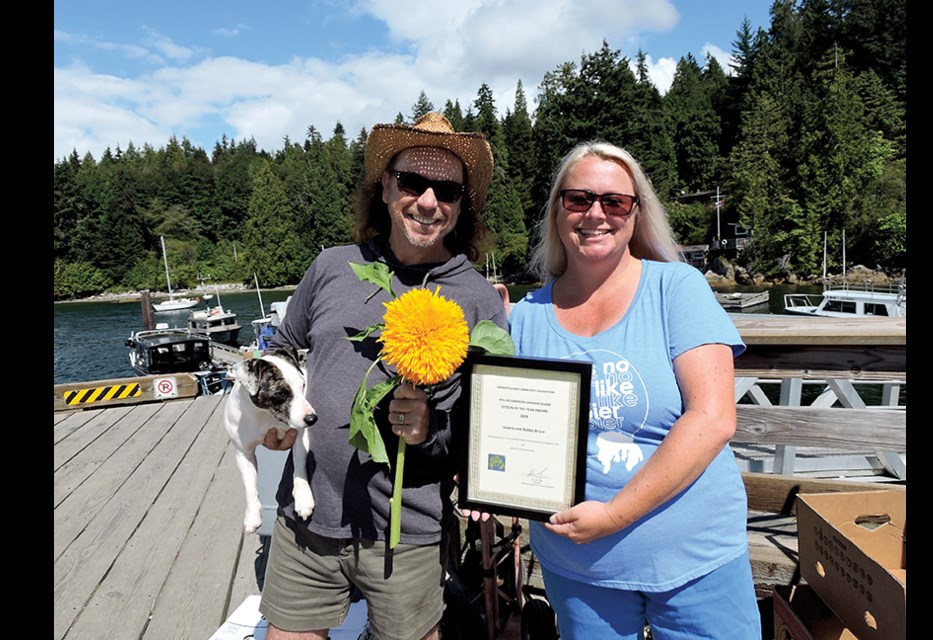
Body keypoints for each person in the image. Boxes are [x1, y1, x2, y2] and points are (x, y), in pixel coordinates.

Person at [257, 112, 508, 640]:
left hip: (408, 531)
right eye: (412, 182)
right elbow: (279, 348)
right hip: (308, 514)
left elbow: (481, 431)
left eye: (447, 189)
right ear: (386, 188)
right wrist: (277, 414)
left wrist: (427, 433)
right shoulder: (332, 266)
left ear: (463, 206)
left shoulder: (479, 300)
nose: (428, 201)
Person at [508, 141, 762, 639]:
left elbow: (713, 418)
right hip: (577, 566)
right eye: (578, 199)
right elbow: (512, 425)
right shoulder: (526, 316)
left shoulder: (677, 288)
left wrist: (614, 515)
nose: (595, 214)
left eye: (614, 202)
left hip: (695, 558)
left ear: (636, 213)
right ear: (558, 210)